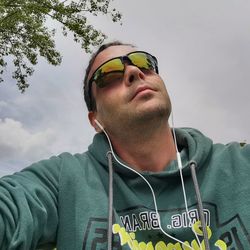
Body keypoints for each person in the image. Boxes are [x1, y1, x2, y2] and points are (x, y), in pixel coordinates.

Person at [0, 41, 249, 250]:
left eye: (144, 64)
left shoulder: (240, 166)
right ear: (95, 120)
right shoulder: (63, 180)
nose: (134, 72)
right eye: (109, 75)